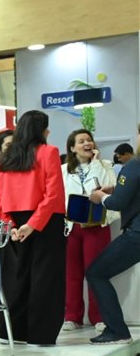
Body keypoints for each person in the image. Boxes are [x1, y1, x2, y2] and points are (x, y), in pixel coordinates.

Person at [0, 110, 65, 346]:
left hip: (14, 221)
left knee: (17, 276)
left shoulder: (5, 159)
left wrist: (11, 225)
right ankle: (41, 334)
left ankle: (12, 332)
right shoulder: (48, 152)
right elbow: (53, 194)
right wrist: (33, 224)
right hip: (45, 220)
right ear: (41, 130)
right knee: (46, 277)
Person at [62, 128, 115, 331]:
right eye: (81, 141)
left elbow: (107, 186)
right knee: (72, 273)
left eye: (89, 140)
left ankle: (99, 317)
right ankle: (72, 316)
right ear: (72, 148)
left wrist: (95, 163)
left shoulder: (104, 165)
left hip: (96, 225)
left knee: (96, 271)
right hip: (72, 226)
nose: (87, 144)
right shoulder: (63, 169)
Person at [87, 150, 139, 344]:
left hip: (137, 234)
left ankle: (117, 330)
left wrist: (100, 197)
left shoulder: (134, 166)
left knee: (96, 272)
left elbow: (117, 203)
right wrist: (116, 189)